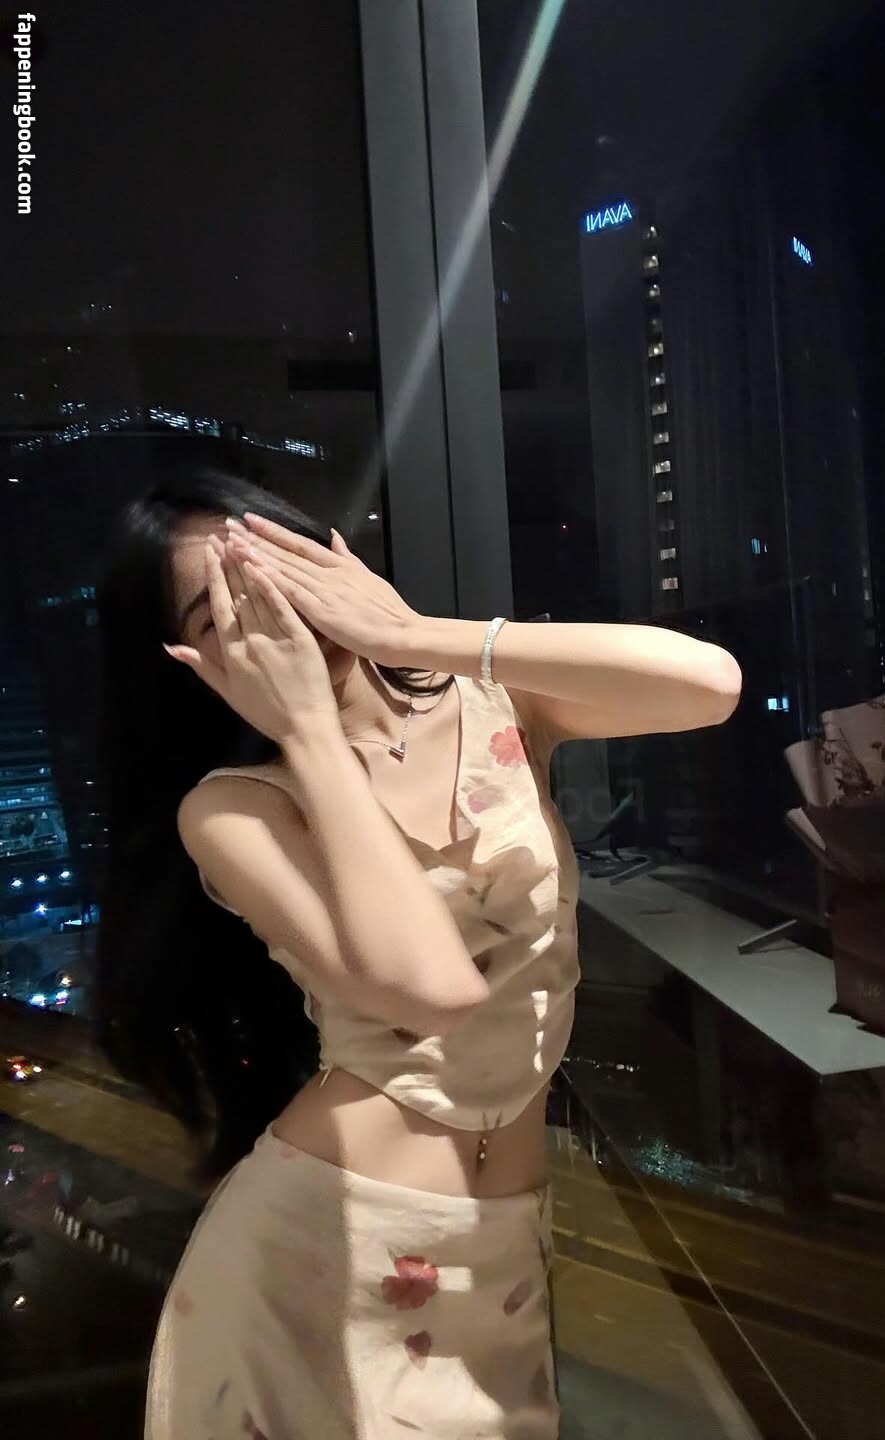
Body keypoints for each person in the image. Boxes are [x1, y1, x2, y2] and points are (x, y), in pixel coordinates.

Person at [94, 467, 742, 1439]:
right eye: (227, 606)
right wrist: (311, 731)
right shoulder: (237, 808)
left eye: (280, 566)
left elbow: (710, 686)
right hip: (322, 1258)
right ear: (192, 660)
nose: (279, 610)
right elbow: (429, 989)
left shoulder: (494, 705)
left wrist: (413, 634)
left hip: (501, 1247)